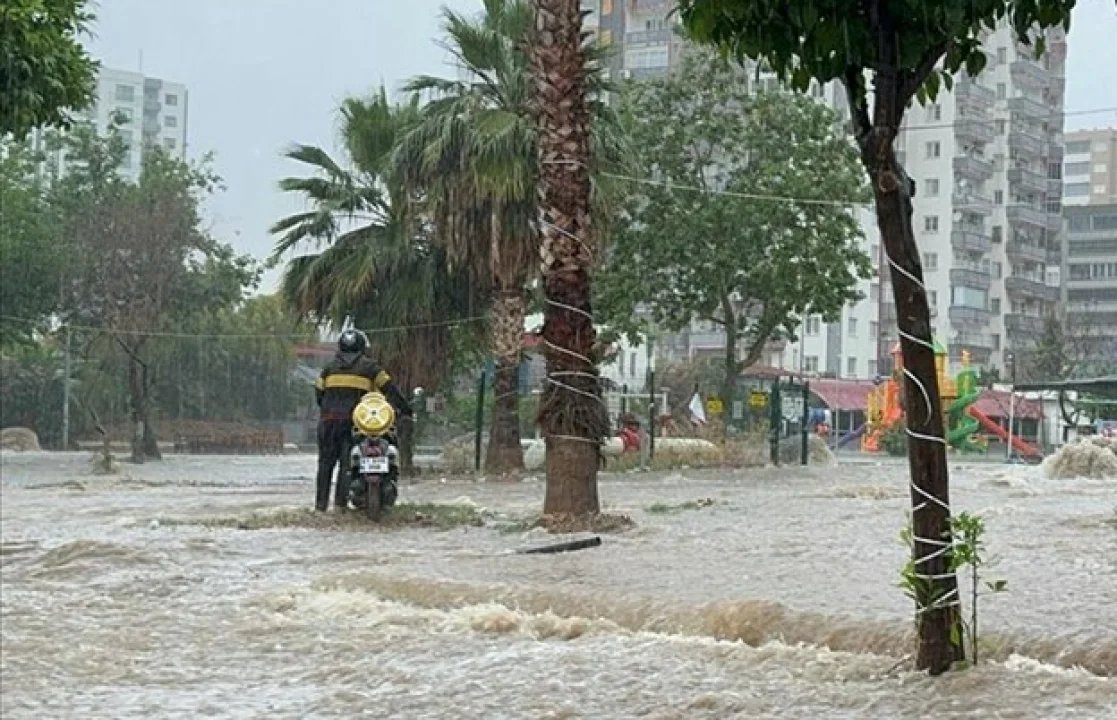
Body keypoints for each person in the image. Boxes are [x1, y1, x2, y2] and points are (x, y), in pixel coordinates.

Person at [313, 329, 412, 512]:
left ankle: (320, 507)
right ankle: (340, 507)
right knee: (347, 465)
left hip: (327, 423)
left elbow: (319, 395)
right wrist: (406, 410)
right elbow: (391, 390)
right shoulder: (371, 368)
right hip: (354, 423)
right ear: (362, 347)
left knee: (325, 464)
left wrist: (329, 410)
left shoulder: (328, 369)